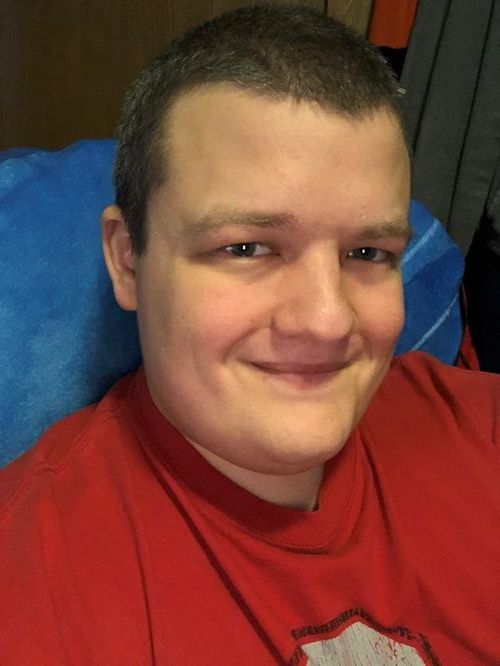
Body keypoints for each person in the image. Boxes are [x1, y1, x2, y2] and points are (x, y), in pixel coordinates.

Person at [1, 5, 499, 664]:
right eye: (246, 248)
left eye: (368, 253)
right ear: (127, 260)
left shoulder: (476, 425)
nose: (328, 320)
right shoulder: (35, 582)